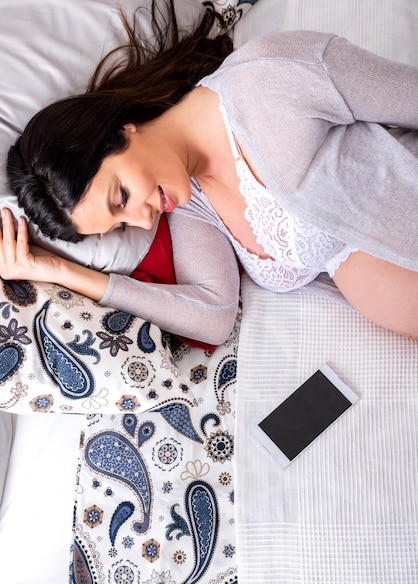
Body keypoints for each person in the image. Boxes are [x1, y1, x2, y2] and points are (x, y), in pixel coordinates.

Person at [2, 1, 418, 345]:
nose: (143, 220)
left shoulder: (270, 78)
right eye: (120, 224)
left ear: (119, 131)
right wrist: (61, 273)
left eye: (121, 198)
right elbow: (212, 317)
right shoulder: (192, 205)